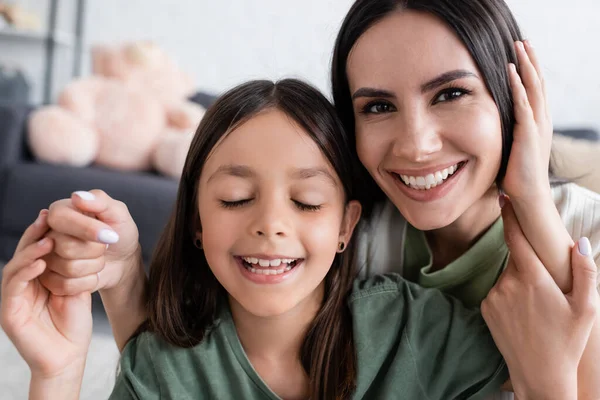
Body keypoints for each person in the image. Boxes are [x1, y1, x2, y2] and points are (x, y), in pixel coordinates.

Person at [1, 79, 597, 400]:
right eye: (235, 199)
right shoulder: (163, 372)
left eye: (307, 201)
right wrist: (57, 374)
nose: (270, 224)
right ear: (197, 223)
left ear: (346, 225)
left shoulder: (424, 333)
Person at [330, 1, 600, 397]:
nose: (416, 146)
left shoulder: (591, 232)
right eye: (379, 106)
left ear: (515, 95)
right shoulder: (352, 244)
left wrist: (534, 200)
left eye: (450, 93)